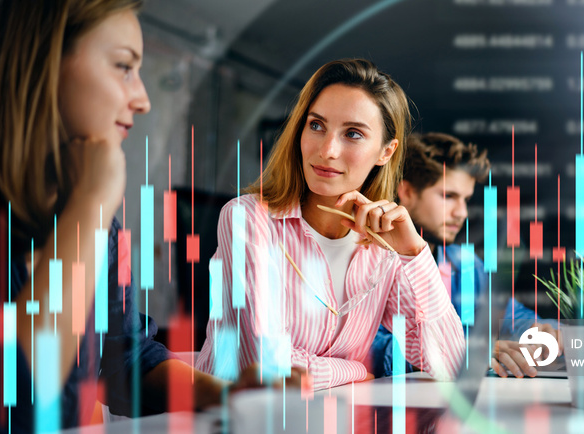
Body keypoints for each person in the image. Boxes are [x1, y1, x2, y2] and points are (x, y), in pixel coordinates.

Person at [0, 1, 263, 431]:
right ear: (44, 63)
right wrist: (90, 206)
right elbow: (17, 402)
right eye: (123, 66)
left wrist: (227, 396)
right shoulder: (91, 214)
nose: (142, 100)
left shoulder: (103, 227)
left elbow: (126, 362)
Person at [196, 59, 466, 391]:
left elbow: (452, 363)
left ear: (385, 151)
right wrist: (354, 370)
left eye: (353, 134)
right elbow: (265, 367)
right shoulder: (248, 219)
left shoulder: (384, 250)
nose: (327, 150)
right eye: (317, 125)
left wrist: (413, 253)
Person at [368, 132, 561, 379]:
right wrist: (463, 353)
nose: (462, 213)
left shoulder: (465, 263)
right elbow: (366, 350)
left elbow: (513, 317)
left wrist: (543, 333)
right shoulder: (368, 260)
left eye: (466, 199)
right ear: (406, 191)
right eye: (448, 196)